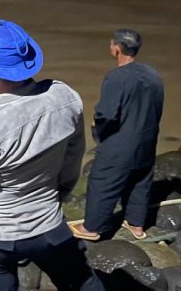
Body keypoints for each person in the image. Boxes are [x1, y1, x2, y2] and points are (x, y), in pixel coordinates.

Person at [0, 20, 103, 290]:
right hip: (49, 223)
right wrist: (57, 196)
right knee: (83, 282)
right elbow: (73, 159)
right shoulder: (65, 97)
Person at [69, 29, 164, 242]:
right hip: (147, 141)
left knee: (102, 180)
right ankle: (136, 225)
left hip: (122, 144)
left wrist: (96, 125)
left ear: (117, 49)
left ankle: (91, 227)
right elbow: (157, 107)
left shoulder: (116, 77)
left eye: (112, 44)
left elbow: (106, 113)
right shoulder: (153, 74)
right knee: (140, 180)